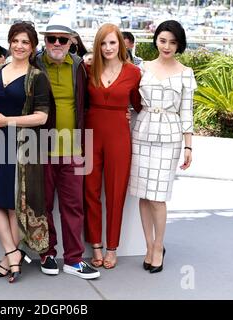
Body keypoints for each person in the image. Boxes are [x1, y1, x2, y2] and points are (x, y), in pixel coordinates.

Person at [0, 22, 50, 283]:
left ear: (33, 47)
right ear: (9, 42)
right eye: (15, 40)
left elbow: (41, 117)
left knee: (16, 204)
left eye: (25, 42)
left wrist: (7, 121)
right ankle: (13, 254)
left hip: (22, 147)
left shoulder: (37, 77)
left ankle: (8, 259)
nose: (19, 46)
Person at [128, 20, 196, 273]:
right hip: (142, 133)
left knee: (158, 197)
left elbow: (186, 112)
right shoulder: (141, 68)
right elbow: (131, 97)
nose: (167, 46)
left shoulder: (185, 73)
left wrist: (189, 147)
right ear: (156, 40)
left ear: (179, 45)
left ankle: (159, 246)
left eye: (173, 42)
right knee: (144, 195)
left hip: (169, 137)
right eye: (163, 40)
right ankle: (148, 245)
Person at [35, 17, 100, 279]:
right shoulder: (34, 63)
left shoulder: (79, 66)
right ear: (45, 40)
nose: (57, 43)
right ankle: (47, 254)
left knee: (73, 206)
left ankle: (73, 259)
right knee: (43, 205)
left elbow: (86, 104)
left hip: (73, 149)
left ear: (72, 41)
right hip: (39, 148)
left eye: (63, 39)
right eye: (52, 38)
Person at [84, 24, 142, 270]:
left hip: (119, 135)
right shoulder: (88, 69)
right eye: (103, 43)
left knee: (116, 193)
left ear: (121, 44)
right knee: (90, 190)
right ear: (98, 46)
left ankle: (112, 247)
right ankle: (95, 244)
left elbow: (140, 105)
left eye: (112, 43)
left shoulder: (134, 72)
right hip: (90, 133)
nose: (108, 48)